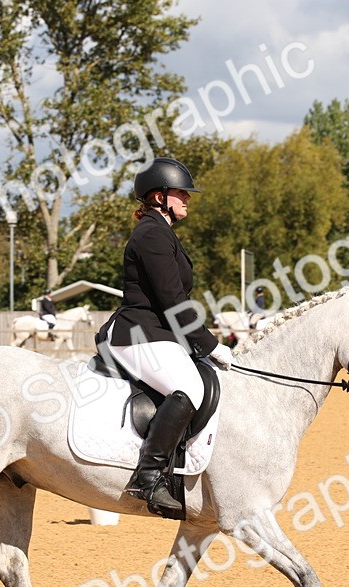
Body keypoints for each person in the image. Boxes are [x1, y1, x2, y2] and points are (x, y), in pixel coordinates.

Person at [95, 157, 234, 518]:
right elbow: (173, 301)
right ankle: (148, 477)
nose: (187, 198)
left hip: (157, 334)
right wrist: (211, 344)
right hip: (138, 335)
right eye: (180, 192)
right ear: (159, 197)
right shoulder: (152, 234)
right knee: (189, 389)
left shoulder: (161, 231)